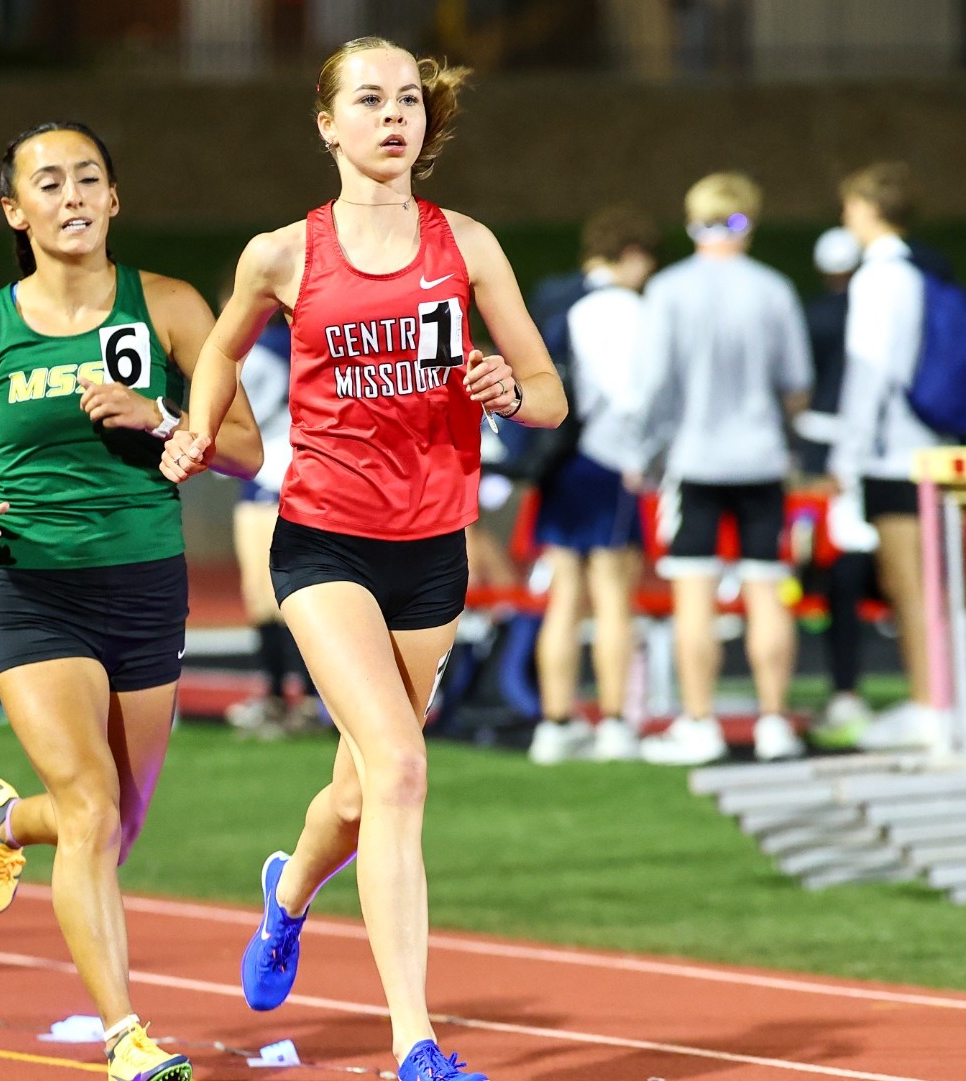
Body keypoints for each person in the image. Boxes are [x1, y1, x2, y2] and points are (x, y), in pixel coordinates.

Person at [160, 37, 565, 1081]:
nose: (395, 116)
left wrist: (504, 389)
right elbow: (220, 345)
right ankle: (415, 1046)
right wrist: (202, 427)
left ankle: (286, 896)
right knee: (400, 766)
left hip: (430, 551)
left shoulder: (467, 246)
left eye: (409, 102)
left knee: (354, 791)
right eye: (370, 100)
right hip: (324, 538)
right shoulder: (282, 254)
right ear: (327, 123)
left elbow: (549, 389)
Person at [0, 121, 262, 1081]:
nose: (73, 194)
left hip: (144, 586)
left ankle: (6, 822)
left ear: (116, 198)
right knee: (90, 806)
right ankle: (127, 1037)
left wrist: (164, 417)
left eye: (90, 177)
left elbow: (248, 446)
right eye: (50, 182)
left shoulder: (168, 307)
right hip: (33, 586)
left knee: (113, 825)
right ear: (16, 210)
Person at [633, 171, 814, 767]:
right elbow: (796, 386)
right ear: (749, 221)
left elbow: (656, 385)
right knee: (767, 592)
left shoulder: (668, 289)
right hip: (761, 458)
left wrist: (644, 454)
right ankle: (772, 721)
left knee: (695, 596)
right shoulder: (773, 289)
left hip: (696, 459)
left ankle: (701, 720)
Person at [527, 204, 659, 764]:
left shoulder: (559, 300)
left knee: (563, 598)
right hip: (608, 460)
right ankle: (613, 722)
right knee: (611, 598)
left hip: (560, 459)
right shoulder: (625, 310)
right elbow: (631, 394)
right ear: (631, 256)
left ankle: (554, 724)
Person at [828, 162, 949, 753]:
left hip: (893, 451)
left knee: (910, 583)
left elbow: (869, 372)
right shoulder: (920, 270)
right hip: (924, 442)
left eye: (850, 207)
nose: (845, 217)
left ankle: (930, 703)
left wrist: (847, 453)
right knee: (922, 580)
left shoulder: (880, 276)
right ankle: (935, 697)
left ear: (871, 209)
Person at [792, 226, 878, 747]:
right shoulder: (872, 315)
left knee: (832, 573)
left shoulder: (813, 315)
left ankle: (843, 687)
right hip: (874, 457)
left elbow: (800, 390)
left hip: (823, 458)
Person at [224, 312, 325, 738]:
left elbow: (246, 414)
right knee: (295, 595)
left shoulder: (260, 349)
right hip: (305, 475)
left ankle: (285, 699)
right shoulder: (310, 336)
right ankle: (304, 700)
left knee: (270, 599)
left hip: (269, 480)